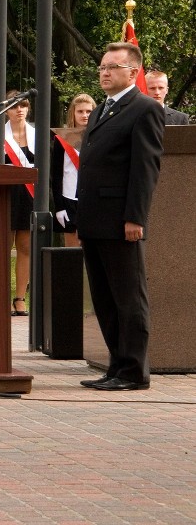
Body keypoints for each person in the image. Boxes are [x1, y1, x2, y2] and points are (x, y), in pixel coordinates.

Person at [77, 42, 163, 391]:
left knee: (128, 297)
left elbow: (145, 170)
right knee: (105, 298)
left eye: (112, 67)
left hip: (120, 220)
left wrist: (135, 218)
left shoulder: (143, 109)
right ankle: (116, 365)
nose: (104, 73)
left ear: (132, 72)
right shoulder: (101, 111)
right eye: (101, 67)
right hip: (95, 218)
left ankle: (133, 371)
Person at [0, 90, 34, 316]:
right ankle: (0, 295)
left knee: (25, 247)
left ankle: (20, 298)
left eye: (23, 105)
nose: (20, 110)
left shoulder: (37, 135)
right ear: (7, 110)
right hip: (5, 196)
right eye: (15, 106)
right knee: (3, 248)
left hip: (29, 196)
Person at [52, 93, 96, 247]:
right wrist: (59, 206)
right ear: (73, 113)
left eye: (88, 111)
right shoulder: (61, 138)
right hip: (69, 198)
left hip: (92, 197)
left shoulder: (100, 136)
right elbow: (56, 174)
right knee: (71, 250)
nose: (84, 115)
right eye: (80, 111)